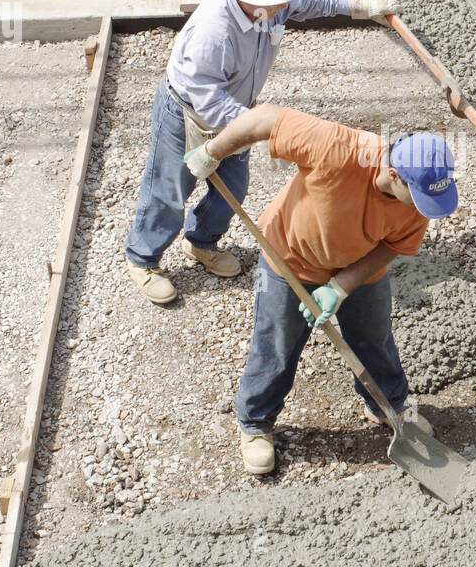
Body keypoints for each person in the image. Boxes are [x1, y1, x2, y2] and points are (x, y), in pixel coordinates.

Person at [185, 104, 459, 475]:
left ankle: (388, 406)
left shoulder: (420, 202)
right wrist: (212, 151)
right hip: (290, 258)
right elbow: (265, 117)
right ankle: (255, 423)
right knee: (277, 342)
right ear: (393, 175)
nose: (427, 209)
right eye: (421, 198)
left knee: (374, 336)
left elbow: (393, 246)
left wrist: (341, 286)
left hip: (357, 264)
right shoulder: (338, 148)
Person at [124, 0, 401, 304]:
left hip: (240, 109)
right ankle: (143, 259)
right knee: (171, 188)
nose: (281, 11)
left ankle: (203, 243)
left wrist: (360, 4)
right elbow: (207, 98)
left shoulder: (273, 3)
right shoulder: (213, 32)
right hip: (188, 111)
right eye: (274, 5)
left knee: (232, 189)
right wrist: (259, 128)